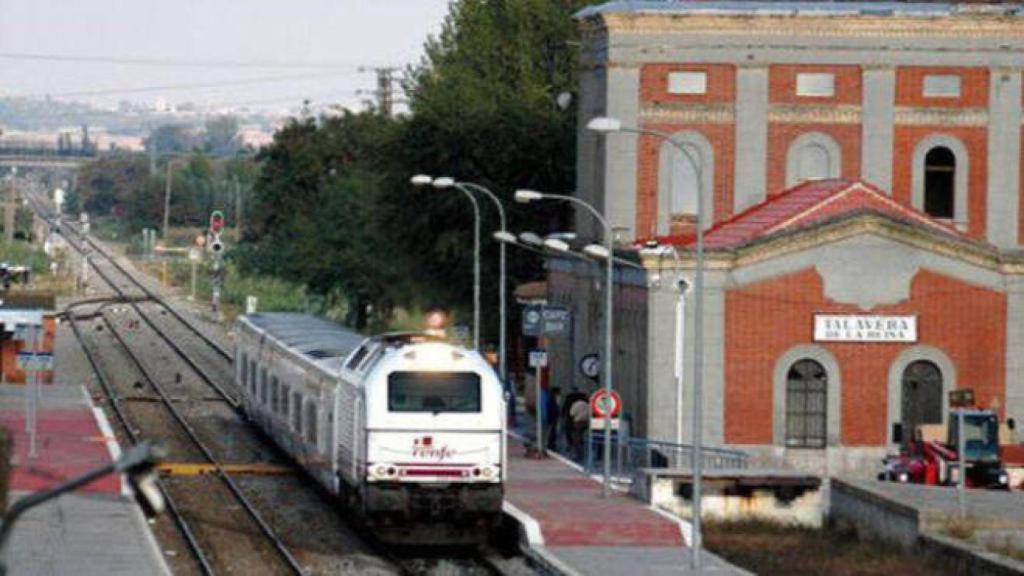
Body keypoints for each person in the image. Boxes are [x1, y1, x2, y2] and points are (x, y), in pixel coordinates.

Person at [568, 395, 590, 460]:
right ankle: (584, 449)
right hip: (586, 422)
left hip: (578, 422)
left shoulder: (575, 404)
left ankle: (578, 453)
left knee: (576, 437)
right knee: (583, 436)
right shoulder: (587, 404)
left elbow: (572, 414)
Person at [544, 387, 561, 453]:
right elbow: (553, 409)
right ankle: (551, 445)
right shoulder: (552, 399)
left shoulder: (551, 398)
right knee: (552, 432)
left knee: (552, 432)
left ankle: (551, 445)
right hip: (552, 418)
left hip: (552, 418)